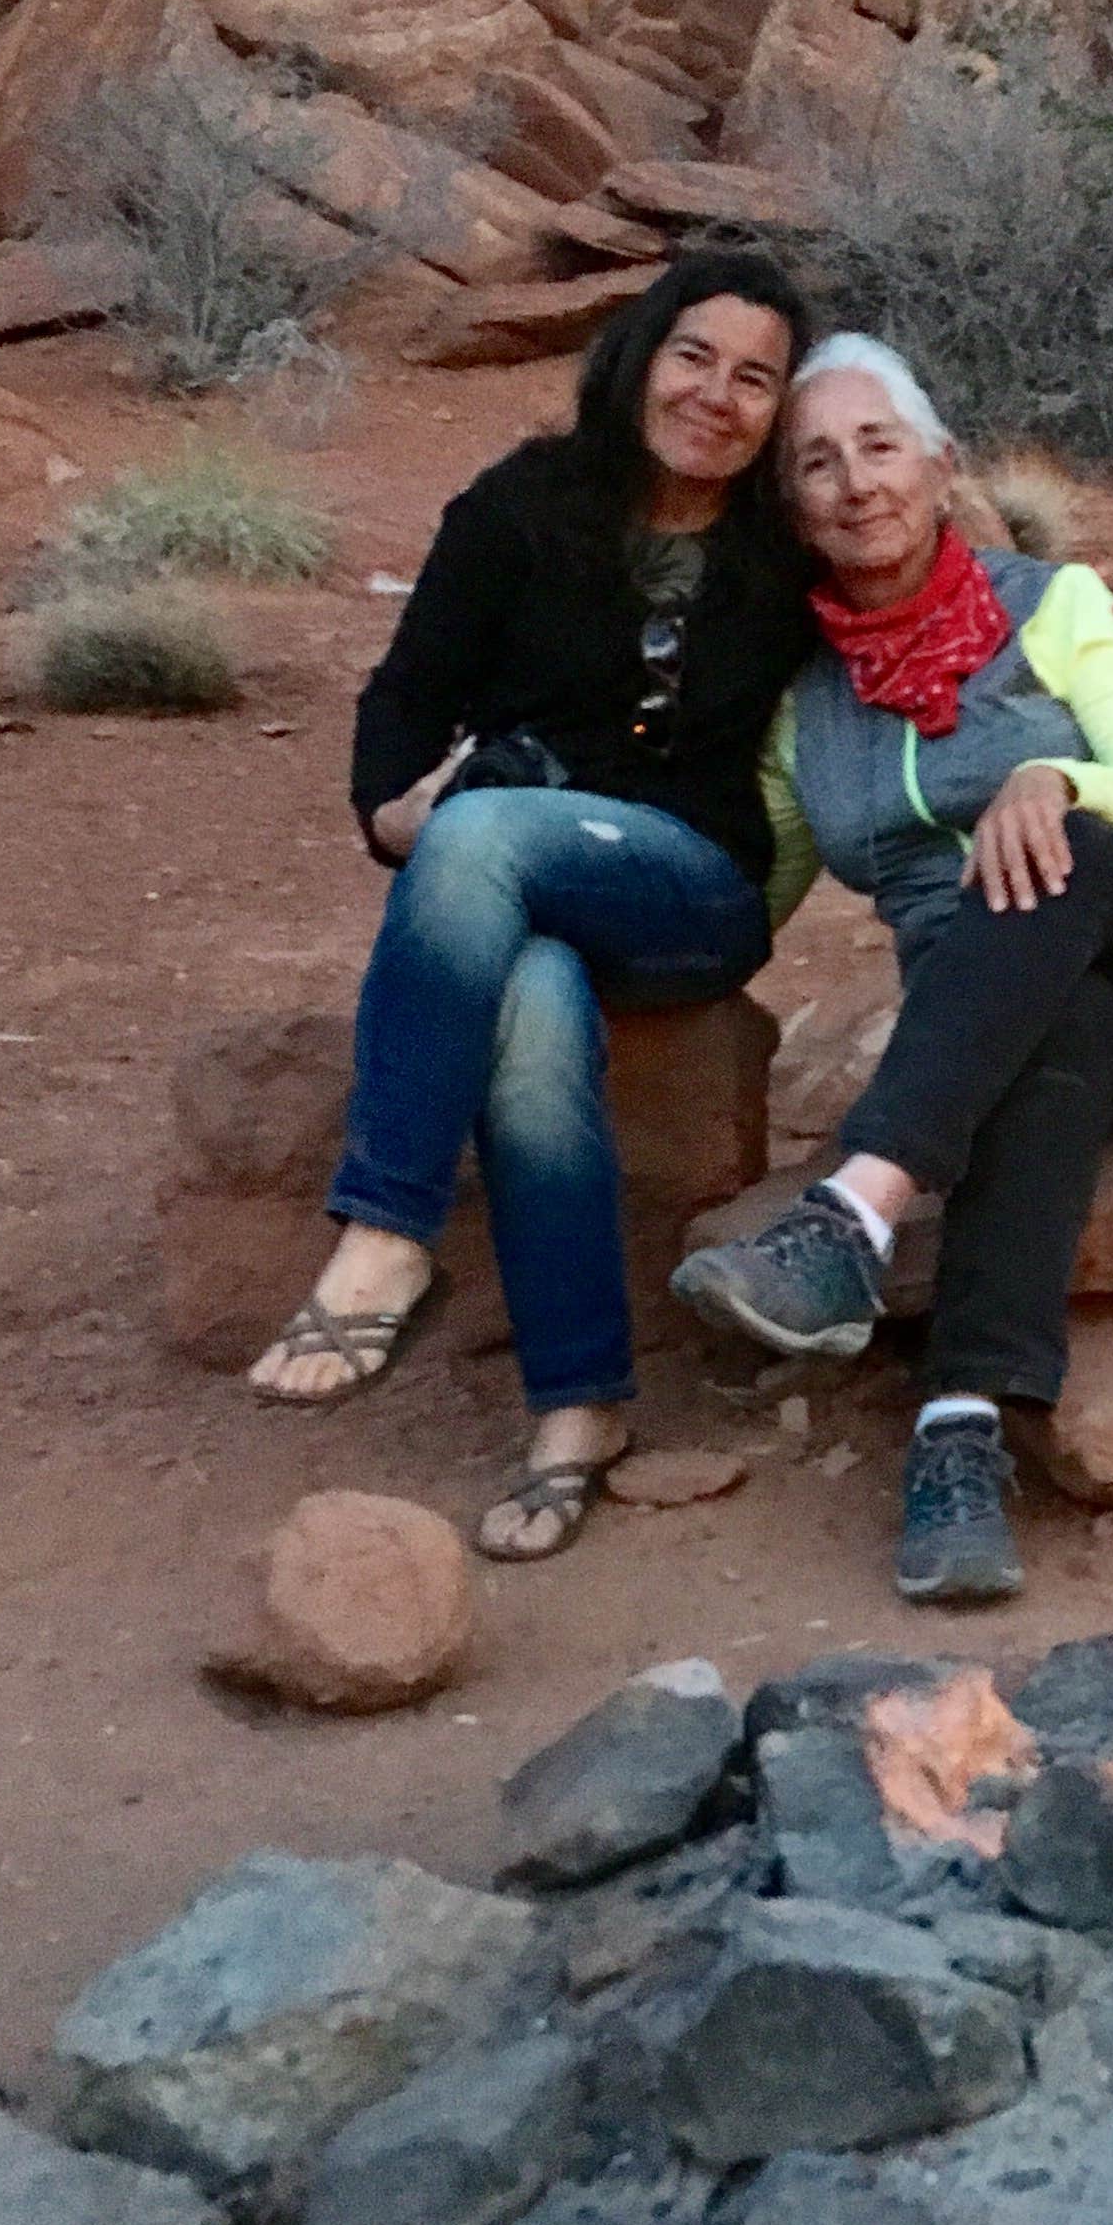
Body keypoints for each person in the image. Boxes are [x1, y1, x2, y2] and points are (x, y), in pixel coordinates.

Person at [672, 333, 1113, 1603]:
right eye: (817, 463)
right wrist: (583, 906)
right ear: (790, 505)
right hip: (1025, 1024)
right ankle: (959, 1441)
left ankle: (852, 1217)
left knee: (1059, 852)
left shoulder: (1055, 607)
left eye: (880, 446)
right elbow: (747, 903)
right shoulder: (802, 708)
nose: (856, 482)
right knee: (1058, 1027)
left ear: (940, 464)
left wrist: (1050, 779)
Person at [250, 242, 815, 1559]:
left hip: (691, 895)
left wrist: (1087, 616)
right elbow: (406, 699)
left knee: (483, 828)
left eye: (754, 378)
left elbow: (941, 577)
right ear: (639, 357)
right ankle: (580, 1406)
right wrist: (393, 813)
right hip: (515, 883)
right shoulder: (522, 506)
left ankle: (389, 1224)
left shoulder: (789, 550)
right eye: (692, 356)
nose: (715, 395)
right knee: (534, 1000)